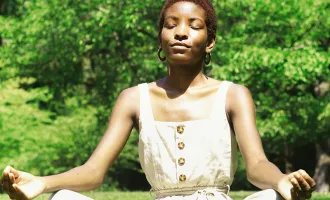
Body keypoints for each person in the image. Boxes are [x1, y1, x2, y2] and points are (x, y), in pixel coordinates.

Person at [1, 0, 316, 200]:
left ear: (210, 42)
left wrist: (283, 180)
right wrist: (42, 183)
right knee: (65, 198)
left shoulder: (233, 95)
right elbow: (94, 171)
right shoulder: (132, 99)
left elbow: (257, 165)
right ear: (160, 39)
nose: (181, 33)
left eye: (194, 26)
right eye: (171, 25)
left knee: (272, 198)